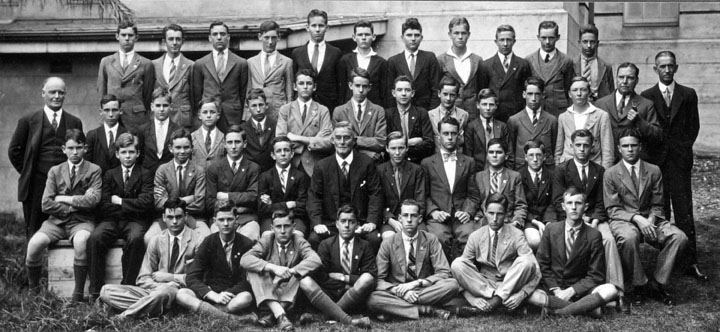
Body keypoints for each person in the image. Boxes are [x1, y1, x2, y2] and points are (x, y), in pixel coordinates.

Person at [641, 51, 705, 281]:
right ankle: (667, 259)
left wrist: (681, 150)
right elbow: (646, 130)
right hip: (657, 163)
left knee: (684, 210)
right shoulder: (646, 96)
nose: (667, 70)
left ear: (676, 68)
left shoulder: (688, 94)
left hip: (679, 163)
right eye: (662, 66)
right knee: (661, 211)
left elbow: (693, 128)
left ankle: (690, 262)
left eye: (670, 66)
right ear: (655, 69)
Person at [604, 129, 687, 306]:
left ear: (640, 147)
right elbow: (612, 209)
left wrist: (650, 220)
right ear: (619, 149)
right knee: (628, 238)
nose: (630, 149)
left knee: (679, 237)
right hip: (625, 220)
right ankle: (639, 283)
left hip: (651, 219)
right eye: (625, 146)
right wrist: (636, 219)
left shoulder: (654, 170)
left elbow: (658, 204)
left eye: (634, 145)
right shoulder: (610, 174)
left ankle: (658, 283)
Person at [552, 129, 628, 313]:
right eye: (578, 145)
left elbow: (602, 202)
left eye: (586, 145)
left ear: (592, 146)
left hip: (593, 218)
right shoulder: (562, 169)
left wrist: (594, 220)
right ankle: (583, 292)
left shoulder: (599, 170)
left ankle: (617, 291)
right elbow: (557, 200)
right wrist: (577, 218)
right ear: (572, 146)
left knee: (608, 239)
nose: (582, 149)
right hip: (570, 218)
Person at [25, 129, 101, 301]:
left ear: (85, 148)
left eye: (79, 148)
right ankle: (33, 291)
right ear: (63, 149)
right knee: (34, 245)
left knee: (81, 242)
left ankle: (78, 294)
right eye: (71, 148)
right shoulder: (55, 171)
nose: (75, 152)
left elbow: (94, 200)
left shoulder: (94, 170)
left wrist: (64, 198)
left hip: (82, 221)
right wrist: (75, 204)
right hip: (56, 222)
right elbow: (45, 203)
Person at [99, 199, 203, 318]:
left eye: (178, 217)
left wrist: (171, 278)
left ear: (186, 216)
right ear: (164, 217)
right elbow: (143, 278)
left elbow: (200, 278)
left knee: (165, 292)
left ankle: (124, 316)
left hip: (182, 293)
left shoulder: (198, 241)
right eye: (170, 217)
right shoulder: (157, 240)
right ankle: (159, 307)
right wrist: (159, 286)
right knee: (106, 291)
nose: (174, 221)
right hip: (156, 290)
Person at [9, 77, 84, 238]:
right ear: (43, 93)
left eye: (61, 93)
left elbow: (79, 151)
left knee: (65, 229)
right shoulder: (28, 120)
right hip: (36, 186)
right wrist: (29, 171)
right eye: (52, 92)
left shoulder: (74, 121)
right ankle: (32, 263)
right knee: (34, 232)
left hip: (65, 188)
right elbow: (14, 151)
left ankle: (60, 264)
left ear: (65, 95)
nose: (57, 96)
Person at [527, 187, 617, 318]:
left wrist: (571, 291)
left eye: (578, 203)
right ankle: (588, 309)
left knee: (610, 290)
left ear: (585, 207)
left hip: (581, 291)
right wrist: (556, 290)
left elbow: (596, 275)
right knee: (531, 295)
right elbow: (542, 264)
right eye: (569, 203)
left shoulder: (594, 235)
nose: (573, 207)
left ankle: (557, 312)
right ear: (563, 206)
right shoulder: (551, 229)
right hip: (555, 289)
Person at [367, 199, 459, 321]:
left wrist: (416, 283)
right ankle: (427, 309)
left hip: (424, 289)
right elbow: (378, 279)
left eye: (413, 216)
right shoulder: (388, 243)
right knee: (373, 298)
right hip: (399, 290)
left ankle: (395, 309)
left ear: (420, 219)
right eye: (405, 215)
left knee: (452, 284)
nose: (409, 220)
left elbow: (443, 273)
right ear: (400, 218)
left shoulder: (431, 240)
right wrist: (399, 291)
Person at [88, 132, 154, 299]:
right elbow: (103, 205)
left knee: (136, 239)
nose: (128, 156)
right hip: (111, 220)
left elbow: (146, 203)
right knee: (95, 238)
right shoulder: (109, 174)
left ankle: (127, 288)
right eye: (124, 152)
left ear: (138, 153)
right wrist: (131, 204)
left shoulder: (145, 173)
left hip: (135, 221)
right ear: (117, 154)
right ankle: (96, 292)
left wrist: (120, 202)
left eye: (131, 152)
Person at [451, 193, 540, 314]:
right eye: (491, 213)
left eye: (499, 214)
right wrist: (471, 298)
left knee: (526, 261)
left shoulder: (516, 234)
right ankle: (500, 300)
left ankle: (495, 302)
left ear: (506, 214)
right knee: (457, 264)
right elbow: (460, 272)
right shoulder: (476, 236)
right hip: (485, 285)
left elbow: (536, 270)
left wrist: (521, 294)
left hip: (510, 283)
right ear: (484, 211)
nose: (494, 219)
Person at [240, 208, 322, 331]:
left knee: (300, 273)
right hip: (270, 289)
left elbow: (315, 260)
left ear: (293, 227)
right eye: (278, 227)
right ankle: (280, 315)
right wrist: (273, 268)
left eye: (286, 226)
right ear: (272, 228)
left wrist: (291, 271)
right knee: (253, 270)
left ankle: (272, 315)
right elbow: (245, 259)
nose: (282, 231)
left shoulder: (298, 241)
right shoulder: (267, 240)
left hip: (290, 292)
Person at [175, 200, 257, 322]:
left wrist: (226, 294)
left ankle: (207, 311)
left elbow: (247, 279)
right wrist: (212, 295)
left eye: (229, 219)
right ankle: (231, 318)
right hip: (210, 294)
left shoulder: (246, 244)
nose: (225, 224)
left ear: (237, 220)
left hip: (231, 296)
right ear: (215, 221)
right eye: (221, 220)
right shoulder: (208, 242)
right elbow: (192, 277)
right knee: (181, 294)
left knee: (246, 298)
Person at [307, 122, 384, 250]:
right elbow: (314, 196)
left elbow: (375, 194)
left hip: (360, 223)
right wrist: (317, 223)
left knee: (374, 239)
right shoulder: (322, 166)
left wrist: (371, 221)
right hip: (332, 223)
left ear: (354, 141)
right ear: (332, 140)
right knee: (314, 239)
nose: (342, 142)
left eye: (346, 138)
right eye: (338, 138)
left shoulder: (366, 163)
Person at [296, 204, 374, 328]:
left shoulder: (365, 245)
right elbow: (322, 277)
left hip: (353, 294)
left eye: (351, 222)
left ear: (357, 224)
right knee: (305, 282)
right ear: (337, 224)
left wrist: (345, 278)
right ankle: (348, 320)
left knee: (367, 278)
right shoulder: (325, 244)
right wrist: (344, 285)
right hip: (329, 294)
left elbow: (370, 275)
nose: (347, 225)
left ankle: (324, 316)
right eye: (343, 221)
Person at [421, 117, 480, 259]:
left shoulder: (468, 162)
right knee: (438, 237)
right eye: (445, 133)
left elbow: (473, 194)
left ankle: (464, 273)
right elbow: (423, 194)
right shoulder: (427, 163)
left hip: (461, 217)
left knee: (471, 236)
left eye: (453, 134)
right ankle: (443, 275)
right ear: (438, 136)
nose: (449, 138)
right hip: (438, 217)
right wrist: (433, 212)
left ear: (459, 135)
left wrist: (467, 212)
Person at [146, 128, 209, 244]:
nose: (182, 151)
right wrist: (189, 198)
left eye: (186, 147)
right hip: (167, 219)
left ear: (191, 148)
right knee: (149, 239)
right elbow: (159, 202)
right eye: (178, 148)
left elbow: (199, 204)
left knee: (206, 238)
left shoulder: (199, 171)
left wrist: (170, 202)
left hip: (193, 218)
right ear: (171, 148)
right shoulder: (162, 170)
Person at [594, 63, 662, 163]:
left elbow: (657, 135)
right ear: (616, 78)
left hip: (634, 161)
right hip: (606, 161)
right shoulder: (601, 103)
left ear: (636, 80)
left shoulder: (646, 104)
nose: (624, 81)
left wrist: (640, 121)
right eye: (621, 77)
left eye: (630, 78)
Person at [97, 22, 155, 134]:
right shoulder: (106, 62)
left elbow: (148, 94)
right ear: (117, 36)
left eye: (130, 35)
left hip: (136, 118)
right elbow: (102, 90)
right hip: (112, 115)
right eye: (123, 35)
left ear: (136, 37)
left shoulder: (145, 63)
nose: (127, 38)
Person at [205, 125, 261, 241]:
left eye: (237, 142)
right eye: (230, 142)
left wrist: (226, 196)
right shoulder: (214, 168)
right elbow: (210, 202)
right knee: (217, 240)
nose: (234, 146)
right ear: (224, 144)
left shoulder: (253, 168)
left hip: (246, 219)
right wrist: (240, 204)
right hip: (221, 218)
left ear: (244, 144)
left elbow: (253, 197)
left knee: (250, 237)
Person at [192, 21, 249, 132]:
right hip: (209, 114)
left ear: (228, 37)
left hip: (232, 115)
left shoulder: (240, 63)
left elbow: (243, 92)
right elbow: (197, 94)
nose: (219, 37)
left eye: (222, 34)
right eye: (215, 34)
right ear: (210, 38)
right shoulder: (200, 63)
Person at [275, 69, 333, 177]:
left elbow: (328, 142)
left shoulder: (322, 110)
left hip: (314, 165)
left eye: (309, 83)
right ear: (295, 87)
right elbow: (280, 139)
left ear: (314, 87)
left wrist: (294, 137)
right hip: (291, 163)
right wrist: (314, 140)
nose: (305, 87)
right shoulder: (285, 109)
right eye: (301, 83)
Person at [555, 77, 614, 169]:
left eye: (583, 90)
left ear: (589, 92)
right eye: (575, 90)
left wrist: (605, 172)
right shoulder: (563, 117)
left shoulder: (601, 115)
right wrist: (558, 168)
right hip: (568, 167)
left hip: (593, 166)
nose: (579, 94)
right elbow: (558, 149)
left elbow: (608, 150)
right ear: (570, 94)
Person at [291, 9, 343, 112]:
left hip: (329, 106)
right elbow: (294, 80)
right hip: (304, 106)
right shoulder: (297, 53)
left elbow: (339, 83)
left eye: (321, 26)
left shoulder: (335, 52)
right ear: (307, 28)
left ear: (327, 28)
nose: (317, 29)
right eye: (314, 26)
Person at [377, 132, 426, 239]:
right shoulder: (379, 171)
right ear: (387, 149)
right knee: (389, 238)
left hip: (412, 217)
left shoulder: (416, 170)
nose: (397, 152)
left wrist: (410, 219)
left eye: (401, 148)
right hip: (390, 219)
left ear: (407, 148)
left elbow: (420, 199)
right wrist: (390, 220)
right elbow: (377, 201)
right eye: (393, 148)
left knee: (421, 238)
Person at [437, 17, 486, 121]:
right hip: (451, 114)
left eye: (463, 33)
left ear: (468, 34)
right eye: (456, 33)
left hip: (473, 114)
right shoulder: (441, 60)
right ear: (450, 34)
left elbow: (482, 88)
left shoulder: (477, 60)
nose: (460, 37)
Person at [258, 136, 310, 236]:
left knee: (297, 235)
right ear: (273, 155)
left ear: (292, 154)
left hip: (295, 218)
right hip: (271, 218)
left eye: (286, 150)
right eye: (278, 151)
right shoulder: (265, 176)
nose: (283, 154)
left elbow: (303, 206)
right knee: (267, 235)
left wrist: (273, 205)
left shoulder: (300, 176)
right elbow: (262, 209)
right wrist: (288, 204)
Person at [332, 67, 387, 161]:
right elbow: (337, 142)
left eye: (364, 86)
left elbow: (381, 142)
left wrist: (353, 139)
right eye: (357, 85)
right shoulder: (339, 111)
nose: (361, 90)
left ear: (369, 87)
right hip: (348, 160)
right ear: (350, 85)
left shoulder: (378, 111)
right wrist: (365, 152)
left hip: (372, 162)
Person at [474, 138, 528, 234]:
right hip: (484, 223)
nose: (494, 155)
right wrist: (478, 217)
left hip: (508, 222)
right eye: (491, 152)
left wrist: (516, 222)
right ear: (487, 156)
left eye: (498, 152)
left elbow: (521, 205)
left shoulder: (514, 176)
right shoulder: (478, 177)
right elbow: (475, 202)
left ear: (506, 156)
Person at [386, 17, 441, 110]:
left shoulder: (429, 58)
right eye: (409, 35)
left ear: (421, 38)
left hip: (425, 111)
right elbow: (389, 92)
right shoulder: (393, 61)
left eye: (416, 35)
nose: (413, 39)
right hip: (401, 111)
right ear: (402, 38)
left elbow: (436, 89)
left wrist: (432, 112)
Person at [481, 24, 532, 123]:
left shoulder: (523, 64)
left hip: (517, 116)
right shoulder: (486, 65)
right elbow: (482, 93)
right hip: (495, 116)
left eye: (509, 40)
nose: (505, 44)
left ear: (514, 41)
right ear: (496, 42)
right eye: (502, 40)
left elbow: (527, 92)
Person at [525, 20, 575, 117]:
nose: (547, 42)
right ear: (538, 37)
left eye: (551, 38)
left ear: (558, 37)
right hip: (536, 110)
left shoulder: (566, 61)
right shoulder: (529, 60)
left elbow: (568, 87)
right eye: (544, 38)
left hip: (558, 111)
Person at [247, 20, 294, 122]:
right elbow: (248, 90)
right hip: (257, 111)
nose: (270, 42)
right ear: (260, 37)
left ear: (279, 38)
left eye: (273, 38)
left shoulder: (286, 62)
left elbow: (289, 93)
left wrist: (289, 114)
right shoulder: (250, 62)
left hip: (278, 112)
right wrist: (246, 115)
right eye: (266, 37)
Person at [507, 76, 558, 170]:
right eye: (530, 94)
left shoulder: (551, 120)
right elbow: (511, 150)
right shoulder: (514, 120)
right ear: (524, 94)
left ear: (543, 95)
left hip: (545, 169)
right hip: (522, 168)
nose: (533, 98)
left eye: (537, 94)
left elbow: (554, 146)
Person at [152, 24, 196, 130]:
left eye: (178, 39)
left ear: (182, 42)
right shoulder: (153, 65)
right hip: (159, 118)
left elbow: (195, 96)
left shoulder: (191, 65)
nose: (175, 43)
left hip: (182, 120)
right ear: (164, 42)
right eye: (171, 39)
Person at [385, 75, 435, 164]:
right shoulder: (387, 114)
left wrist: (398, 146)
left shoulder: (421, 113)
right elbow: (385, 144)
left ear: (412, 93)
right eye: (399, 90)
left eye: (407, 90)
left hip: (417, 162)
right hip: (393, 163)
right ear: (393, 93)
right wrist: (410, 142)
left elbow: (429, 144)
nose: (403, 93)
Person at [338, 20, 388, 107]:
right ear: (354, 37)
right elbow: (341, 89)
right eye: (360, 35)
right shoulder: (345, 60)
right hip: (350, 108)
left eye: (367, 34)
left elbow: (383, 91)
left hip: (373, 109)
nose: (364, 37)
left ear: (373, 37)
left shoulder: (382, 63)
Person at [463, 88, 510, 170]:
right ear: (478, 105)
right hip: (478, 172)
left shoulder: (502, 127)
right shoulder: (471, 127)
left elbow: (509, 153)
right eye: (484, 104)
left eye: (491, 104)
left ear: (496, 106)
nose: (488, 108)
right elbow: (468, 156)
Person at [136, 89, 180, 175]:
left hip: (170, 175)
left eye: (165, 105)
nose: (161, 109)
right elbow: (140, 155)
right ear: (152, 107)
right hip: (147, 176)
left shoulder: (177, 130)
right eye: (158, 105)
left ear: (171, 107)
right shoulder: (143, 130)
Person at [519, 140, 552, 251]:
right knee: (535, 241)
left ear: (544, 157)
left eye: (538, 155)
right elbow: (520, 204)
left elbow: (554, 202)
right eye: (531, 155)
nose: (535, 159)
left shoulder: (552, 175)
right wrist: (535, 222)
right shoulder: (518, 176)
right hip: (529, 220)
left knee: (554, 238)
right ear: (525, 157)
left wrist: (548, 222)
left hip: (549, 218)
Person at [85, 94, 127, 174]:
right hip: (98, 180)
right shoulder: (92, 135)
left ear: (120, 111)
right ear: (101, 112)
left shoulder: (127, 134)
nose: (111, 114)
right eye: (107, 110)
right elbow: (87, 163)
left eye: (114, 110)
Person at [428, 77, 469, 153]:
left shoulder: (464, 115)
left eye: (452, 95)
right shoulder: (430, 115)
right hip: (437, 158)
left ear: (457, 96)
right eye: (445, 94)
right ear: (439, 93)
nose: (448, 98)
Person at [573, 25, 614, 102]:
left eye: (592, 42)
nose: (588, 46)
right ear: (579, 42)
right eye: (585, 42)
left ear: (597, 43)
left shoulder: (606, 66)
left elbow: (611, 92)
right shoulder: (571, 64)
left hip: (599, 107)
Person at [240, 89, 276, 172]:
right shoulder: (242, 129)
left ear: (266, 105)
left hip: (271, 172)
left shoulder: (276, 126)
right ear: (248, 107)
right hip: (250, 173)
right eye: (254, 106)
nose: (258, 109)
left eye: (261, 105)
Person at [191, 100, 225, 169]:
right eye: (205, 112)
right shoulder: (192, 137)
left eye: (212, 112)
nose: (208, 116)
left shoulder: (224, 138)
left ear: (218, 115)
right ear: (199, 115)